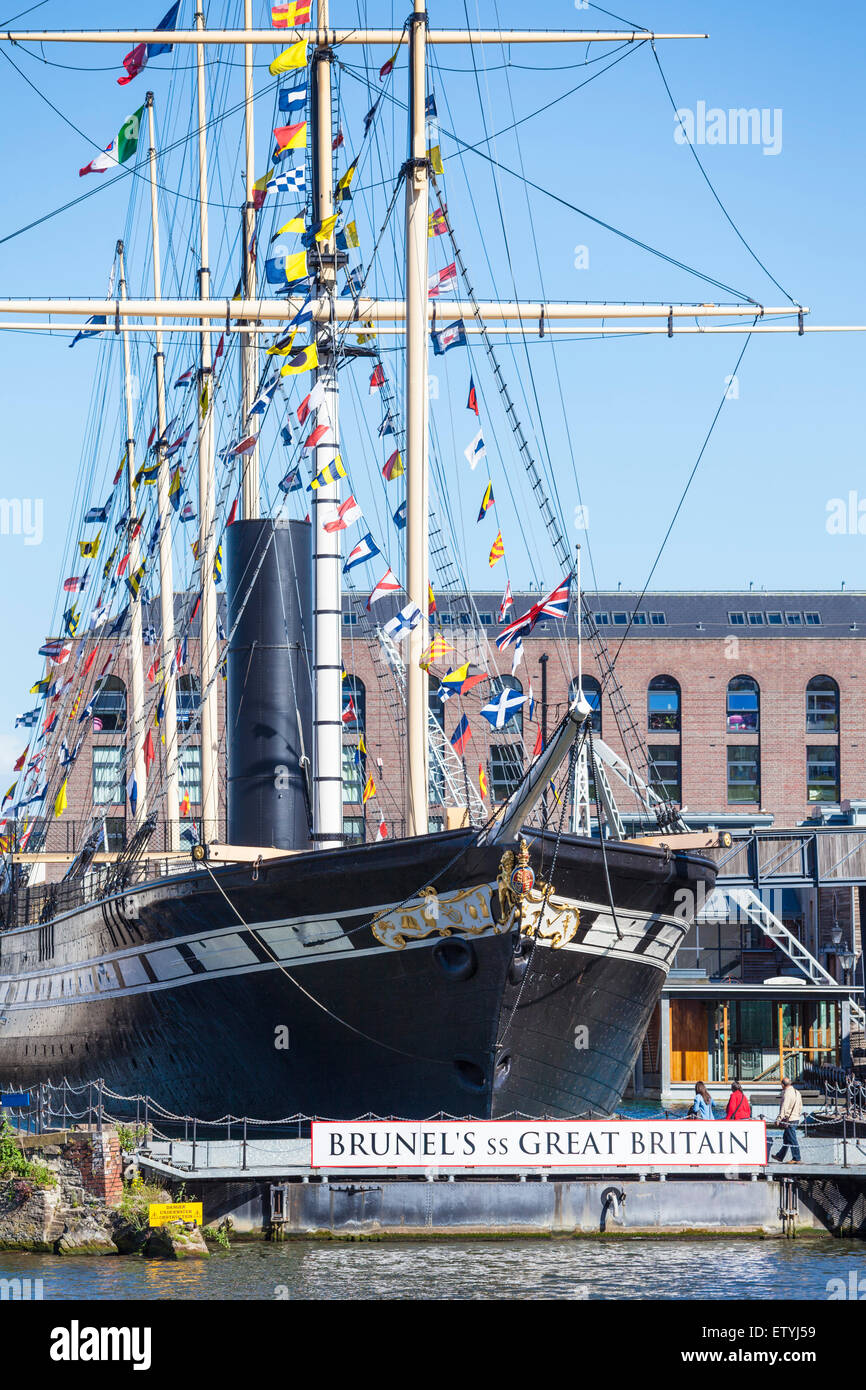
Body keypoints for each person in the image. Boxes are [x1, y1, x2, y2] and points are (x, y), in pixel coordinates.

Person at [772, 1076, 803, 1162]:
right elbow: (801, 1106)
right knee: (787, 1138)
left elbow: (784, 1108)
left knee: (792, 1139)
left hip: (789, 1119)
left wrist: (779, 1118)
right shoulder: (797, 1092)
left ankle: (797, 1158)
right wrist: (797, 1114)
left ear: (782, 1085)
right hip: (796, 1118)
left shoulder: (787, 1093)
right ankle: (780, 1156)